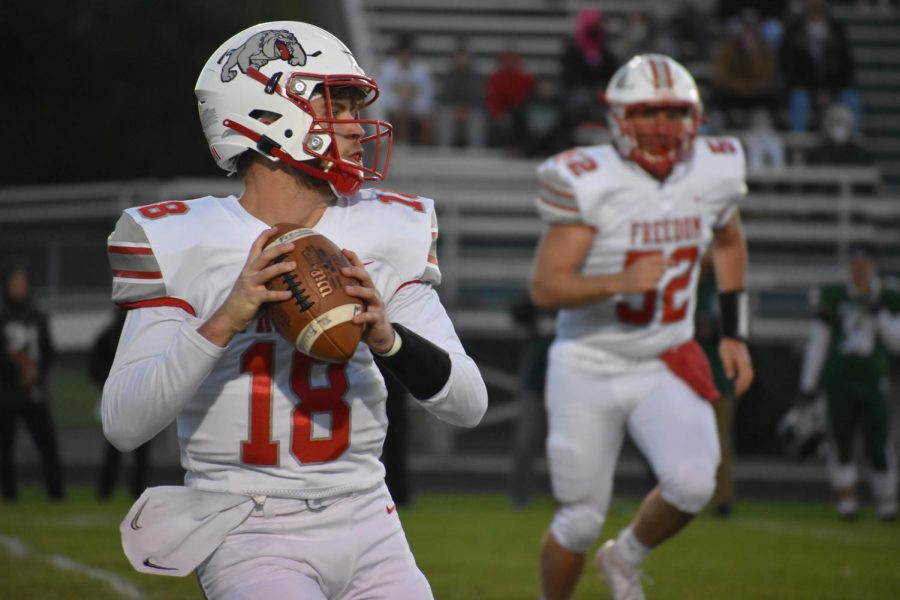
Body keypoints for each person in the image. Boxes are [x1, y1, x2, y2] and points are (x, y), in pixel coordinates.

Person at [101, 21, 487, 598]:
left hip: (369, 517)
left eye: (355, 106)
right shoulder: (186, 239)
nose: (356, 125)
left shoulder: (387, 228)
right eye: (338, 105)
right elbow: (123, 425)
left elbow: (468, 404)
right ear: (268, 114)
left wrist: (390, 340)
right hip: (246, 526)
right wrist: (226, 318)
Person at [530, 54, 754, 600]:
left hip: (664, 356)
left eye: (674, 113)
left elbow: (728, 242)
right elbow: (546, 287)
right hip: (587, 361)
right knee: (580, 519)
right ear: (619, 118)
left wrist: (732, 332)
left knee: (695, 482)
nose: (662, 127)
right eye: (648, 113)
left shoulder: (714, 168)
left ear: (694, 118)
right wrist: (619, 281)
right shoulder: (588, 179)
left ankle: (625, 557)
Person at [796, 241, 900, 521]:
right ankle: (847, 501)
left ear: (873, 265)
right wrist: (808, 383)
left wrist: (880, 314)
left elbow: (897, 343)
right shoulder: (834, 295)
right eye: (855, 263)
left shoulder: (887, 295)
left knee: (878, 443)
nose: (860, 268)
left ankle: (887, 502)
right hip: (839, 380)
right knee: (840, 441)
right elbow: (819, 342)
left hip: (873, 380)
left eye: (864, 263)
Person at [0, 263, 64, 501]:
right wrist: (17, 369)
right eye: (14, 284)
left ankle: (56, 493)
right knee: (5, 446)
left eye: (22, 283)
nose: (18, 288)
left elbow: (48, 349)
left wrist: (36, 373)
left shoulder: (37, 314)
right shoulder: (3, 315)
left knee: (47, 443)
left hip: (33, 391)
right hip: (7, 392)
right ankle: (9, 494)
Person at [90, 308, 153, 500]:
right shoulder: (110, 336)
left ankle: (134, 490)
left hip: (139, 400)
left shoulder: (144, 338)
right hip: (121, 401)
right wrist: (112, 383)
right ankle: (108, 490)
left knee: (138, 449)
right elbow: (95, 367)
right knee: (116, 448)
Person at [779, 0, 861, 132]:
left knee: (851, 99)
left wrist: (829, 91)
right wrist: (814, 92)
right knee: (799, 99)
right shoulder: (794, 30)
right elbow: (788, 66)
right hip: (803, 88)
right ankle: (799, 145)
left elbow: (847, 66)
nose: (815, 3)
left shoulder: (837, 29)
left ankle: (853, 143)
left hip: (833, 89)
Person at [560, 8, 620, 128]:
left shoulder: (606, 53)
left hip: (599, 92)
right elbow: (568, 76)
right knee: (579, 100)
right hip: (578, 91)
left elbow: (611, 75)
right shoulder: (572, 52)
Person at [377, 34, 436, 146]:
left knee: (427, 120)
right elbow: (381, 94)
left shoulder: (421, 70)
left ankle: (425, 148)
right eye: (403, 54)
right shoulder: (388, 69)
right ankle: (394, 144)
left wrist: (413, 107)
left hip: (415, 107)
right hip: (394, 108)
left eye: (407, 54)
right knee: (398, 115)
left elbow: (427, 94)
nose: (405, 57)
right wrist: (398, 105)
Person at [436, 39, 486, 149]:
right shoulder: (449, 75)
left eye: (464, 56)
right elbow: (444, 96)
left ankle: (476, 151)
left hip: (470, 110)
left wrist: (465, 109)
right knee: (445, 115)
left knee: (477, 117)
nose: (461, 59)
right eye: (459, 56)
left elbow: (478, 96)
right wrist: (456, 109)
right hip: (452, 109)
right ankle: (444, 150)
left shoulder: (475, 76)